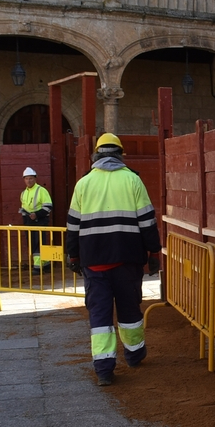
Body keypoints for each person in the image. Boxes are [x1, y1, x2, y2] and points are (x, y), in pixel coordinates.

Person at [65, 133, 161, 386]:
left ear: (96, 155)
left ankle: (104, 369)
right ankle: (134, 355)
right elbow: (147, 222)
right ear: (120, 155)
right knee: (129, 310)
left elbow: (73, 225)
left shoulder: (83, 184)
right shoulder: (133, 180)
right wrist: (154, 252)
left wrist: (72, 254)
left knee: (99, 316)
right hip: (127, 260)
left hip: (94, 262)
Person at [19, 167, 53, 274]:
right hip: (29, 222)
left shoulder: (41, 191)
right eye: (26, 179)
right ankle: (46, 264)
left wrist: (37, 215)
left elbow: (48, 206)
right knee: (33, 243)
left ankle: (38, 267)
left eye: (31, 178)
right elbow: (24, 207)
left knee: (38, 243)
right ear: (24, 180)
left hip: (40, 221)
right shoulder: (23, 193)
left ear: (35, 179)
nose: (28, 181)